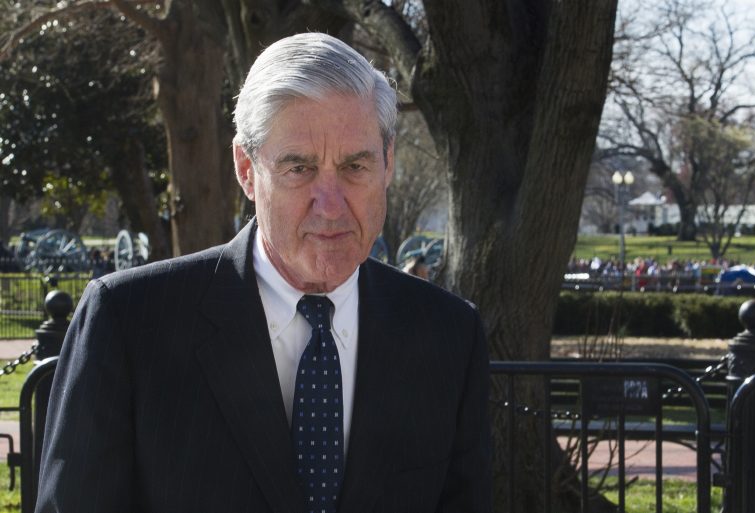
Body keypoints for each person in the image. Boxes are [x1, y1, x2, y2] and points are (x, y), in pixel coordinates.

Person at [35, 33, 491, 513]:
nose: (331, 205)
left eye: (355, 166)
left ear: (388, 163)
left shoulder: (448, 334)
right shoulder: (128, 323)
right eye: (300, 169)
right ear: (247, 170)